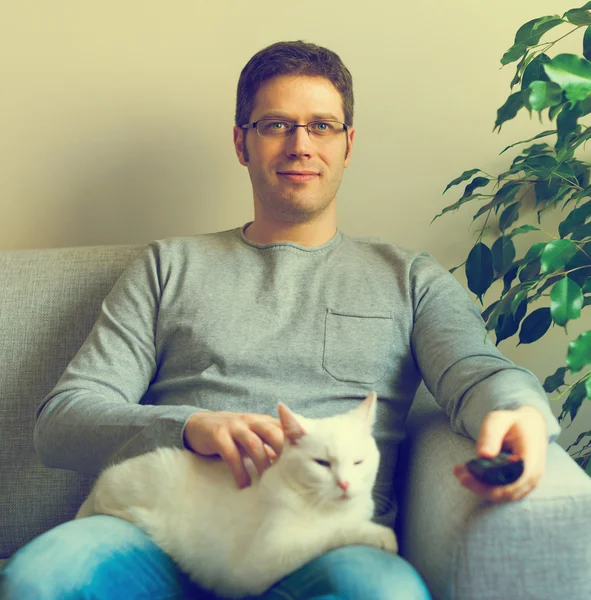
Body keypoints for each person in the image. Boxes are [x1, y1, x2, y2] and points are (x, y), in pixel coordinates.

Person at [0, 40, 560, 600]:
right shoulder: (168, 265)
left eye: (321, 126)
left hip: (327, 544)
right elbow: (62, 422)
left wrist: (522, 413)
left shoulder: (409, 278)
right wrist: (191, 426)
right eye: (276, 125)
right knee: (38, 580)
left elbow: (478, 372)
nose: (300, 145)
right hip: (162, 533)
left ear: (348, 145)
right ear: (242, 143)